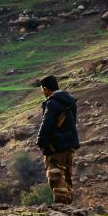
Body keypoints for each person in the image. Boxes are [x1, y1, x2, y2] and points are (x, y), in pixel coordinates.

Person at [35, 74, 80, 206]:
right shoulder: (69, 101)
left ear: (45, 89)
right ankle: (69, 208)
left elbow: (47, 123)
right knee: (67, 177)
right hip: (70, 145)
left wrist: (41, 141)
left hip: (56, 147)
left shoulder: (52, 102)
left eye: (42, 90)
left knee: (55, 175)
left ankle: (62, 208)